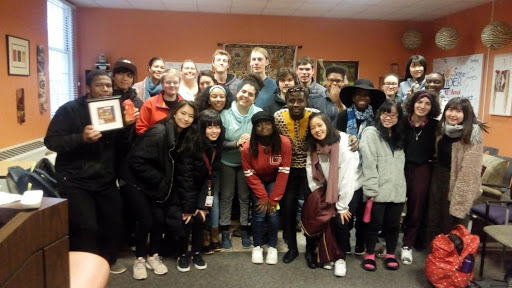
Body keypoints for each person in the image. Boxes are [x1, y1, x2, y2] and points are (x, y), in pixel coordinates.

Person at [44, 70, 135, 274]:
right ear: (87, 88)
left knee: (113, 223)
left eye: (108, 86)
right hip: (75, 179)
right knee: (86, 227)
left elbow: (121, 145)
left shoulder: (113, 109)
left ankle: (106, 263)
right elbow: (51, 141)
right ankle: (85, 269)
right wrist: (81, 138)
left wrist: (127, 126)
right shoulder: (69, 110)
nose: (105, 90)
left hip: (105, 178)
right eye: (99, 85)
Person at [128, 101, 197, 279]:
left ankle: (153, 256)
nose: (186, 118)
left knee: (159, 219)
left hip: (157, 187)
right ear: (174, 113)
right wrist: (161, 180)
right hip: (137, 183)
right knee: (146, 220)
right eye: (183, 113)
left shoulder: (183, 135)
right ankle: (140, 259)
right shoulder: (159, 132)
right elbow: (137, 161)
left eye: (190, 115)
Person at [304, 112, 360, 277]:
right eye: (313, 127)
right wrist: (317, 190)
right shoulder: (314, 145)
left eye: (320, 125)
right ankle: (327, 254)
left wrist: (342, 206)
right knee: (322, 217)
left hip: (350, 188)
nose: (317, 130)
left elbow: (347, 177)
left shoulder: (344, 143)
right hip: (325, 187)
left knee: (340, 221)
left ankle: (341, 258)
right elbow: (310, 168)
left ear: (328, 124)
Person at [335, 78, 385, 255]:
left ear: (370, 98)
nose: (362, 97)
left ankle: (361, 242)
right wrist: (348, 139)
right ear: (353, 97)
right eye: (359, 94)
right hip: (350, 170)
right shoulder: (343, 116)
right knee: (349, 205)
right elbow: (336, 137)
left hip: (371, 168)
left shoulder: (378, 117)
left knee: (366, 210)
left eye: (366, 94)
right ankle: (345, 240)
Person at [427, 97, 487, 243]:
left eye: (458, 111)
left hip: (458, 182)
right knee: (435, 216)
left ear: (467, 114)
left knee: (452, 220)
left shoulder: (472, 136)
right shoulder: (443, 130)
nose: (453, 114)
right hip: (438, 178)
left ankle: (451, 257)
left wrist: (460, 198)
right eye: (450, 109)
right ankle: (436, 252)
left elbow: (469, 172)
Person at [169, 107, 221, 273]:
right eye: (209, 127)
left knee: (200, 218)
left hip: (200, 191)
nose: (214, 131)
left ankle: (196, 251)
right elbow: (185, 181)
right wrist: (190, 209)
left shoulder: (213, 146)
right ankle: (183, 253)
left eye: (217, 126)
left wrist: (202, 206)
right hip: (180, 193)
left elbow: (209, 178)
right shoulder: (190, 146)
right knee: (189, 219)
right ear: (201, 127)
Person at [274, 85, 320, 267]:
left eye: (300, 100)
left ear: (306, 101)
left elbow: (327, 132)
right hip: (287, 169)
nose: (295, 104)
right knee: (288, 209)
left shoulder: (315, 115)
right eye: (291, 101)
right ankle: (292, 247)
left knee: (311, 209)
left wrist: (349, 138)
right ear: (286, 102)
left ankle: (310, 249)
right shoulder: (278, 117)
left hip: (310, 168)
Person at [359, 100, 406, 272]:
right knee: (373, 224)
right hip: (377, 190)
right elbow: (369, 164)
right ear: (380, 113)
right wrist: (370, 190)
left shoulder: (399, 135)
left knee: (394, 225)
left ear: (398, 117)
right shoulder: (371, 133)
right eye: (386, 113)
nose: (389, 118)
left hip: (397, 189)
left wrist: (403, 189)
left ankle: (390, 254)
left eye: (393, 115)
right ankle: (369, 254)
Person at [219, 74, 264, 249]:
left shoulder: (259, 114)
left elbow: (264, 141)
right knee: (227, 196)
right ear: (237, 92)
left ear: (255, 98)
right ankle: (224, 229)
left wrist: (250, 144)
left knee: (245, 198)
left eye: (250, 94)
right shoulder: (224, 114)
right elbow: (217, 142)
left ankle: (245, 228)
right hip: (227, 162)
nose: (246, 96)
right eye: (243, 92)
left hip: (248, 163)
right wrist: (235, 143)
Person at [242, 111, 292, 265]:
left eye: (267, 123)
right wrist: (263, 197)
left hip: (275, 181)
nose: (263, 127)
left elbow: (284, 172)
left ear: (273, 125)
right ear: (254, 128)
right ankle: (257, 246)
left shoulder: (284, 143)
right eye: (259, 124)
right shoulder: (247, 148)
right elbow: (249, 174)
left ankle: (272, 247)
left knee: (273, 213)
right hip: (257, 181)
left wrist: (274, 198)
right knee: (259, 213)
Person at [400, 91, 440, 265]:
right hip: (399, 167)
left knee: (416, 208)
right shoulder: (402, 121)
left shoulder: (436, 126)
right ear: (413, 103)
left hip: (422, 169)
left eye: (427, 104)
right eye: (419, 102)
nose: (422, 106)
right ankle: (389, 240)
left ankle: (407, 244)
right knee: (393, 206)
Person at [136, 68, 183, 134]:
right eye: (168, 82)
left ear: (179, 84)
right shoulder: (150, 103)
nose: (172, 85)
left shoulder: (185, 105)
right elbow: (140, 128)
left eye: (175, 82)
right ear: (162, 84)